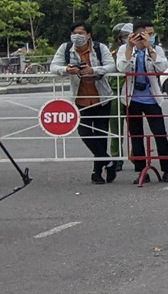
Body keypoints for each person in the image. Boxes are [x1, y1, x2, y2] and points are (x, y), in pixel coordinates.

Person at [50, 22, 120, 182]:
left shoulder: (100, 48)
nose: (77, 36)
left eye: (81, 33)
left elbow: (112, 66)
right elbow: (53, 66)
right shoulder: (66, 48)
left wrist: (93, 70)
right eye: (74, 33)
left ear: (89, 35)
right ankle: (109, 162)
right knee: (85, 133)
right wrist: (66, 70)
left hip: (102, 98)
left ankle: (97, 172)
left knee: (101, 135)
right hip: (80, 99)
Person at [117, 21, 168, 184]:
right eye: (145, 33)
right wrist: (129, 47)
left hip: (152, 98)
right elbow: (122, 68)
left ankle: (167, 170)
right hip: (132, 99)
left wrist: (150, 48)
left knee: (160, 134)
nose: (149, 36)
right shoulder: (124, 49)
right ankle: (141, 171)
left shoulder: (156, 49)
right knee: (136, 136)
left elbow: (162, 67)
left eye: (151, 34)